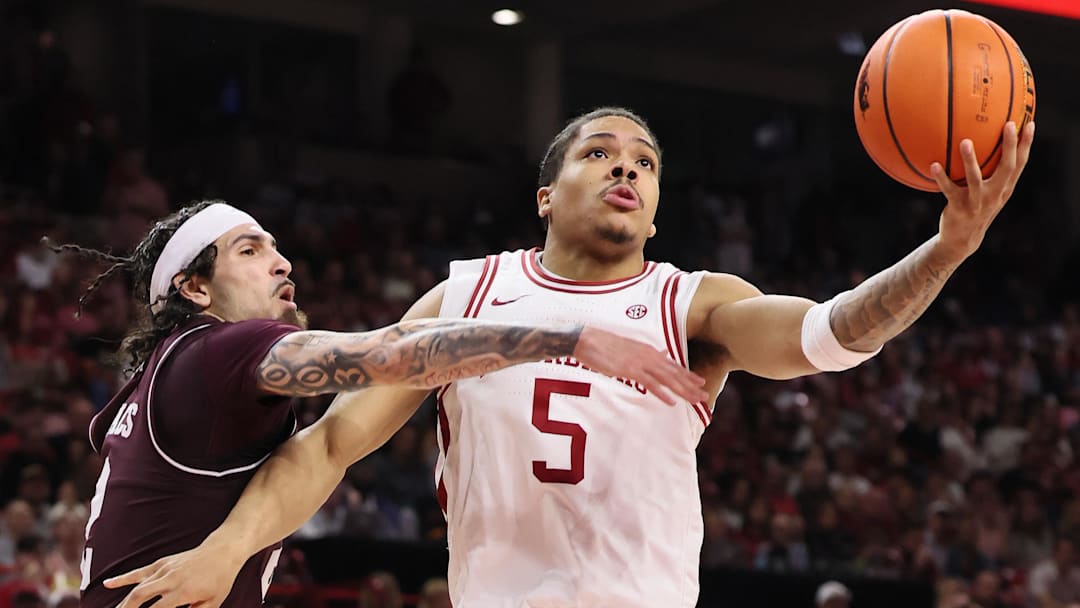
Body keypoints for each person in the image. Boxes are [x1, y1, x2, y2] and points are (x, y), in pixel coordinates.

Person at [107, 108, 1034, 607]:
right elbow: (326, 449)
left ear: (658, 209)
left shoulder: (694, 302)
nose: (626, 167)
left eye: (645, 161)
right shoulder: (463, 293)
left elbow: (833, 336)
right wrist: (227, 550)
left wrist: (946, 250)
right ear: (547, 195)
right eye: (600, 152)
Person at [58, 199, 707, 608]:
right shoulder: (219, 352)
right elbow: (389, 355)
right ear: (195, 288)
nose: (282, 264)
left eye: (277, 248)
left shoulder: (154, 382)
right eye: (251, 252)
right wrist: (564, 335)